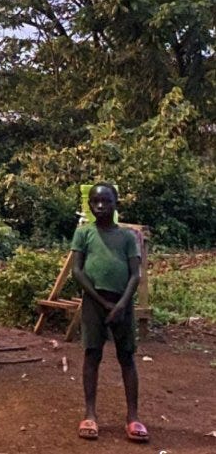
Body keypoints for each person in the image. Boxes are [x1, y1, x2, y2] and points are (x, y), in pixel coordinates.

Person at [71, 183, 147, 443]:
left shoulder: (127, 237)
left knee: (127, 356)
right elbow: (77, 271)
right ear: (90, 205)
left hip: (123, 302)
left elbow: (136, 274)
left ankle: (133, 417)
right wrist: (102, 302)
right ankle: (90, 413)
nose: (101, 206)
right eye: (95, 202)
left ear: (116, 203)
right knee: (92, 354)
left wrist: (121, 304)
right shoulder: (84, 234)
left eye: (107, 201)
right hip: (94, 301)